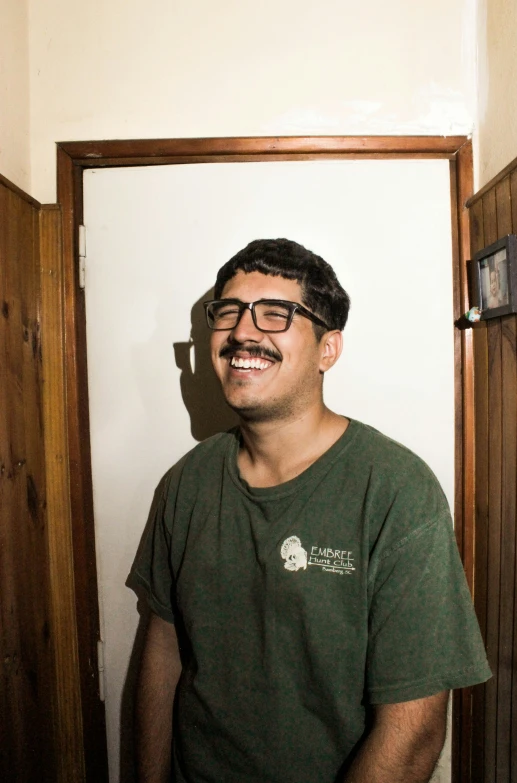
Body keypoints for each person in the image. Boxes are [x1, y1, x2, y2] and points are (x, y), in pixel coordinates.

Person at [129, 238, 490, 783]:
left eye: (277, 315)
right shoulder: (187, 481)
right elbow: (162, 649)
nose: (243, 332)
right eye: (228, 313)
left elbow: (412, 729)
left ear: (328, 349)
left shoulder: (395, 490)